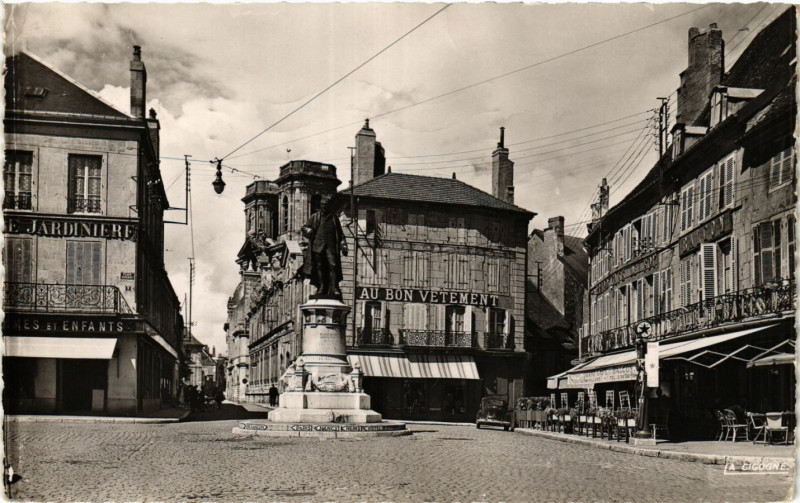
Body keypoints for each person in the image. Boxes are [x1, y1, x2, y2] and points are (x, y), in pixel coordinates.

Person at [301, 197, 348, 298]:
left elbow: (340, 233)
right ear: (320, 206)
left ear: (329, 206)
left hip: (330, 246)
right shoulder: (315, 217)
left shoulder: (334, 218)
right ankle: (321, 286)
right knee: (319, 266)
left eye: (326, 204)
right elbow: (304, 227)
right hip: (318, 245)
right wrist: (308, 231)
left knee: (333, 265)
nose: (324, 206)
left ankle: (334, 287)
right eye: (322, 204)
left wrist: (343, 243)